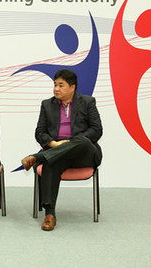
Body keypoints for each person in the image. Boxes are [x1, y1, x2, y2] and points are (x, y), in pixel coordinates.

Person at [21, 69, 102, 231]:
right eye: (55, 85)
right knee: (52, 163)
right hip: (56, 152)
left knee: (83, 141)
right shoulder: (47, 105)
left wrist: (71, 142)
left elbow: (97, 130)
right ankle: (50, 215)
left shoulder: (88, 102)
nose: (56, 89)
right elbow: (40, 132)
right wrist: (54, 144)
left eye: (61, 85)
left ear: (72, 87)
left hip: (84, 153)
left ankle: (39, 157)